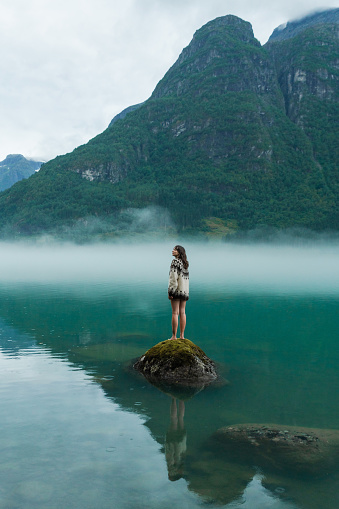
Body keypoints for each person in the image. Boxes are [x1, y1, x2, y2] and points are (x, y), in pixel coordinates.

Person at [168, 245, 189, 340]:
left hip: (176, 291)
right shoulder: (185, 263)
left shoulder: (175, 262)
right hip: (184, 291)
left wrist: (171, 291)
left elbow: (173, 279)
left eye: (175, 250)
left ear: (179, 252)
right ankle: (182, 336)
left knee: (175, 313)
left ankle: (173, 336)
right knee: (183, 312)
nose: (173, 251)